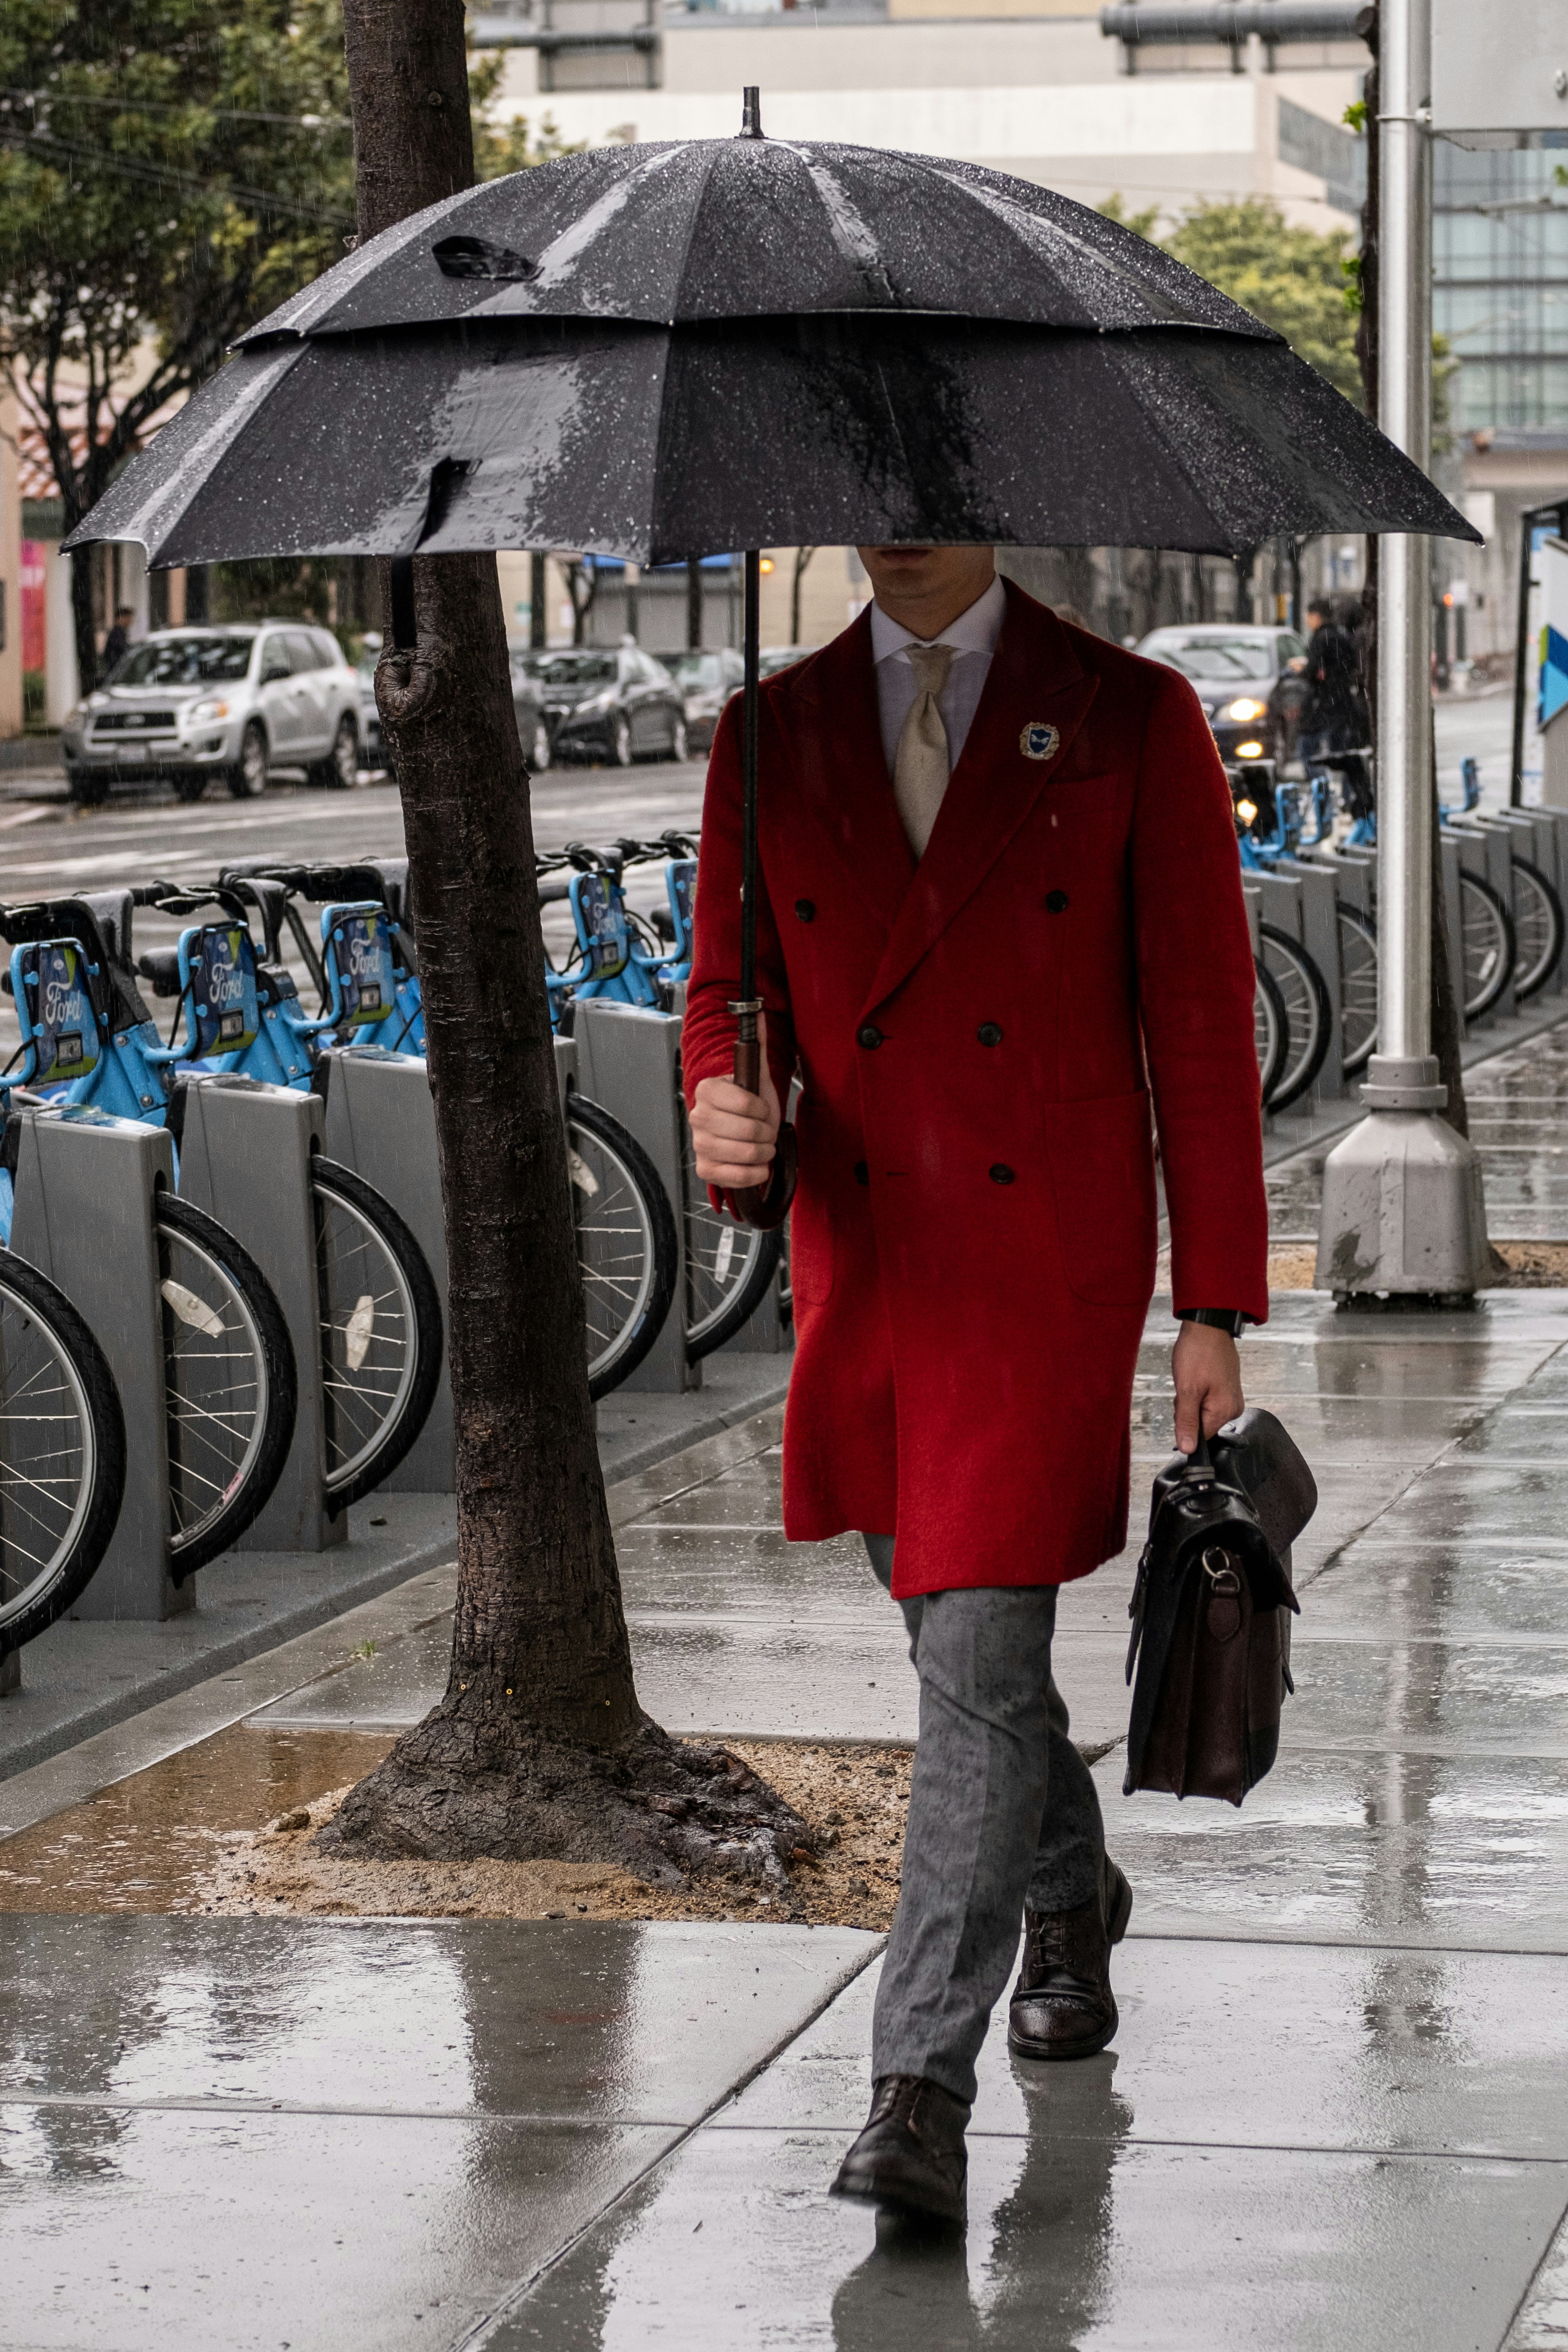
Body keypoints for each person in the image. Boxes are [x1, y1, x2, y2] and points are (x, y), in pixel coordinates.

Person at [683, 545, 1266, 2226]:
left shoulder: (1129, 713)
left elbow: (1203, 1029)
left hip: (1044, 1266)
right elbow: (734, 1003)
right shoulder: (768, 730)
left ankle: (913, 2086)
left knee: (983, 1649)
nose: (907, 518)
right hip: (868, 1265)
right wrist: (726, 1107)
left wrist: (1213, 1297)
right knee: (962, 1652)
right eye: (874, 482)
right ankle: (1072, 1891)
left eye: (941, 480)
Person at [1299, 595, 1368, 762]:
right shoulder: (1341, 636)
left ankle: (1321, 783)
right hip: (1342, 701)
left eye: (1309, 617)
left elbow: (1314, 670)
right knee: (1341, 751)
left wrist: (1303, 671)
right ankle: (1345, 784)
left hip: (1324, 702)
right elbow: (1349, 666)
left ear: (1316, 616)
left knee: (1308, 747)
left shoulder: (1320, 638)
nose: (1308, 621)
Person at [100, 606, 136, 679]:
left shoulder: (119, 632)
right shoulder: (117, 633)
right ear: (122, 618)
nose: (131, 621)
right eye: (129, 618)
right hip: (117, 672)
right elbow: (123, 650)